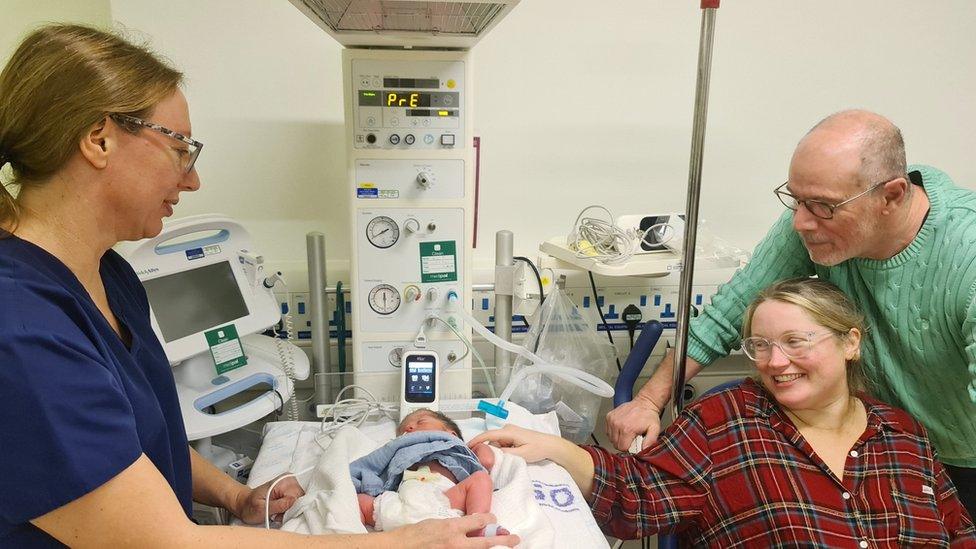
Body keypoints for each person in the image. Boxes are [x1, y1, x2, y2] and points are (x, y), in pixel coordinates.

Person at [0, 24, 517, 548]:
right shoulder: (22, 333)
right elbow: (166, 542)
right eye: (181, 149)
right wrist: (402, 541)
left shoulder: (112, 275)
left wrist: (233, 495)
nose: (191, 179)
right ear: (99, 139)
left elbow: (138, 444)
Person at [606, 109, 976, 517]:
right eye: (796, 200)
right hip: (889, 451)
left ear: (891, 196)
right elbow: (729, 313)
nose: (800, 222)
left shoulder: (966, 257)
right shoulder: (825, 212)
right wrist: (647, 400)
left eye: (820, 206)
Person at [473, 278, 976, 546]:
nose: (776, 363)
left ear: (851, 343)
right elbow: (637, 492)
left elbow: (958, 533)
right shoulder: (728, 419)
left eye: (796, 342)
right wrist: (554, 448)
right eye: (760, 345)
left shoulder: (903, 434)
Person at [354, 410, 507, 536]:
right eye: (403, 431)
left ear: (451, 434)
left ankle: (475, 525)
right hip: (400, 503)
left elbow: (486, 461)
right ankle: (354, 535)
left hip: (443, 500)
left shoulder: (457, 448)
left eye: (420, 422)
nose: (409, 428)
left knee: (481, 478)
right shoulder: (397, 449)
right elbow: (373, 466)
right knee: (356, 500)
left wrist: (480, 445)